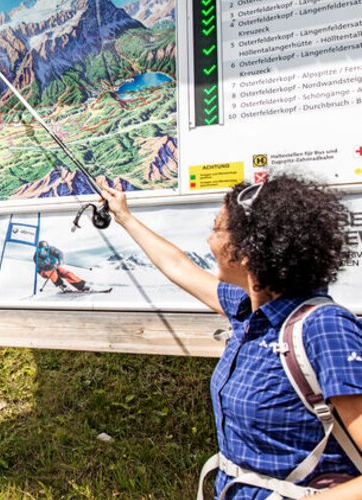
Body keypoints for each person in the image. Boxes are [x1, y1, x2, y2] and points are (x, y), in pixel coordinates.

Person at [100, 176, 362, 499]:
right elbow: (178, 266)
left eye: (217, 228)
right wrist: (124, 216)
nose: (209, 239)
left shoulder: (323, 328)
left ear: (247, 252)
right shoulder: (247, 310)